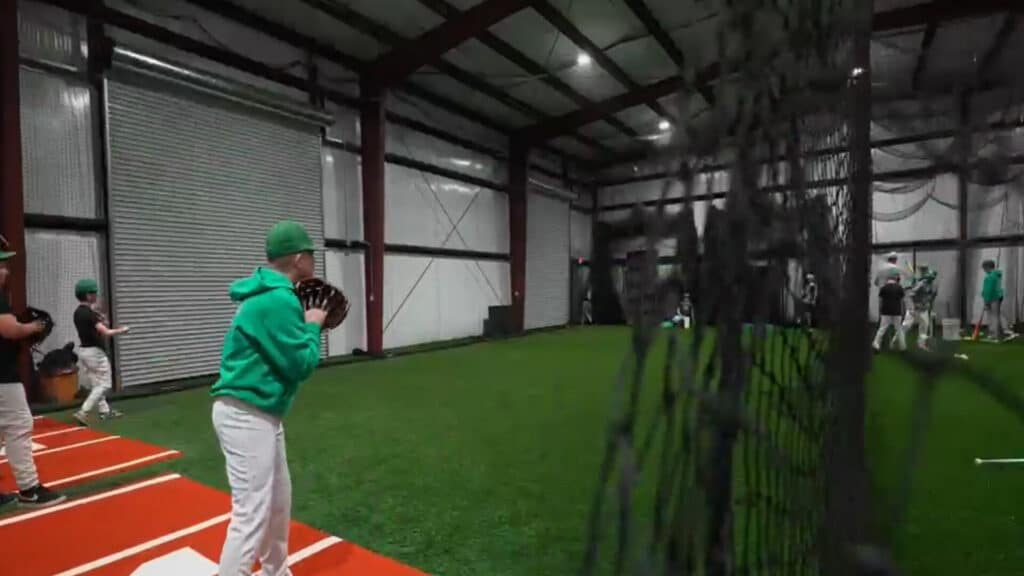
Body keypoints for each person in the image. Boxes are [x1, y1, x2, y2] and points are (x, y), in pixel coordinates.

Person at [211, 221, 328, 576]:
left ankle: (276, 572)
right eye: (310, 255)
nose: (313, 261)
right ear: (297, 258)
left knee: (277, 503)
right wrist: (313, 324)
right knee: (251, 515)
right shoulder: (279, 299)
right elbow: (300, 364)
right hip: (247, 416)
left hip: (258, 415)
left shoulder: (270, 294)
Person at [0, 237, 66, 508]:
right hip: (3, 378)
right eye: (2, 265)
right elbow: (9, 329)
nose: (6, 270)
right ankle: (30, 490)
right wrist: (34, 327)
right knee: (19, 427)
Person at [72, 279, 130, 426]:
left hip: (83, 351)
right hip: (95, 352)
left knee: (96, 383)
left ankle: (104, 410)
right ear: (87, 295)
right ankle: (83, 411)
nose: (96, 295)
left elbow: (95, 327)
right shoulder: (89, 314)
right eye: (93, 292)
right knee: (104, 384)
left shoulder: (78, 313)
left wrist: (101, 320)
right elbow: (106, 332)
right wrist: (121, 330)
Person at [903, 264, 937, 350]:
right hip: (914, 309)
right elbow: (910, 295)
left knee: (924, 327)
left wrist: (931, 309)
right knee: (906, 326)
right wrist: (912, 308)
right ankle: (897, 342)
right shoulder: (921, 284)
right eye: (930, 277)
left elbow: (932, 299)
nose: (931, 279)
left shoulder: (933, 287)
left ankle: (921, 344)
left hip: (924, 309)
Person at [981, 259, 1012, 342]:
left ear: (987, 267)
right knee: (996, 315)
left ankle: (994, 335)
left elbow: (989, 289)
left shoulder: (990, 277)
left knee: (993, 316)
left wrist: (986, 301)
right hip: (998, 296)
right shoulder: (997, 274)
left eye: (984, 269)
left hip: (992, 297)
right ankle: (1000, 332)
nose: (984, 271)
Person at [873, 275, 907, 352]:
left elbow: (881, 300)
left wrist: (880, 310)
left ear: (888, 278)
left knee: (882, 329)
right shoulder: (899, 288)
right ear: (895, 279)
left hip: (885, 311)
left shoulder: (884, 288)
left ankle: (876, 344)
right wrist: (902, 311)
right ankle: (903, 347)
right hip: (897, 311)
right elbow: (902, 301)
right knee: (899, 329)